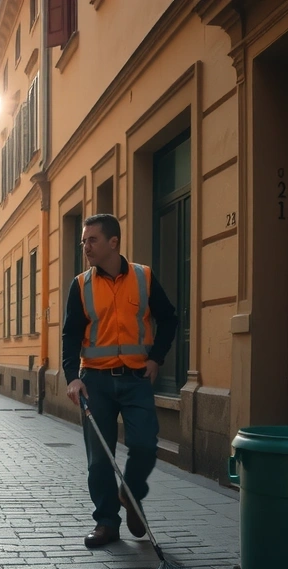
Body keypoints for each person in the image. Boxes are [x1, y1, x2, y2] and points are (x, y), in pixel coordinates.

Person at [63, 213, 177, 550]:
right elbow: (70, 334)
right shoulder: (81, 284)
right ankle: (106, 523)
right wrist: (72, 378)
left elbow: (168, 318)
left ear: (113, 242)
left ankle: (129, 493)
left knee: (144, 445)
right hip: (94, 382)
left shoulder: (143, 277)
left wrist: (156, 358)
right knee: (99, 458)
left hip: (136, 378)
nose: (85, 246)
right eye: (84, 241)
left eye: (92, 240)